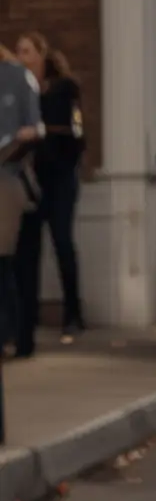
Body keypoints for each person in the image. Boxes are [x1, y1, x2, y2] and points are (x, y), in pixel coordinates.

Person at [14, 34, 86, 341]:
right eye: (18, 52)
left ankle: (73, 312)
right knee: (27, 249)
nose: (22, 57)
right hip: (30, 179)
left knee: (62, 241)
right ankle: (25, 320)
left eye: (27, 51)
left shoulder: (64, 89)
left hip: (61, 178)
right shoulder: (19, 90)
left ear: (41, 54)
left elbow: (77, 132)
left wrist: (43, 134)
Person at [0, 43, 42, 358]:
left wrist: (25, 135)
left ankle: (10, 334)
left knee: (3, 261)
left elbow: (35, 128)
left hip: (6, 175)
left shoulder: (17, 78)